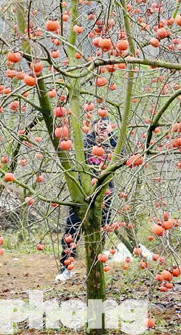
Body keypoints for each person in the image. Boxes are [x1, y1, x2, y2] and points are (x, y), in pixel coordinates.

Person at [57, 119, 116, 282]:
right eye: (100, 124)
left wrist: (111, 135)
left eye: (107, 125)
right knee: (71, 230)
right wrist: (95, 134)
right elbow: (74, 148)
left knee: (99, 232)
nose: (103, 128)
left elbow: (123, 154)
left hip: (104, 195)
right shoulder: (85, 143)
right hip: (81, 193)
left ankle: (93, 268)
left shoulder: (113, 146)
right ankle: (66, 268)